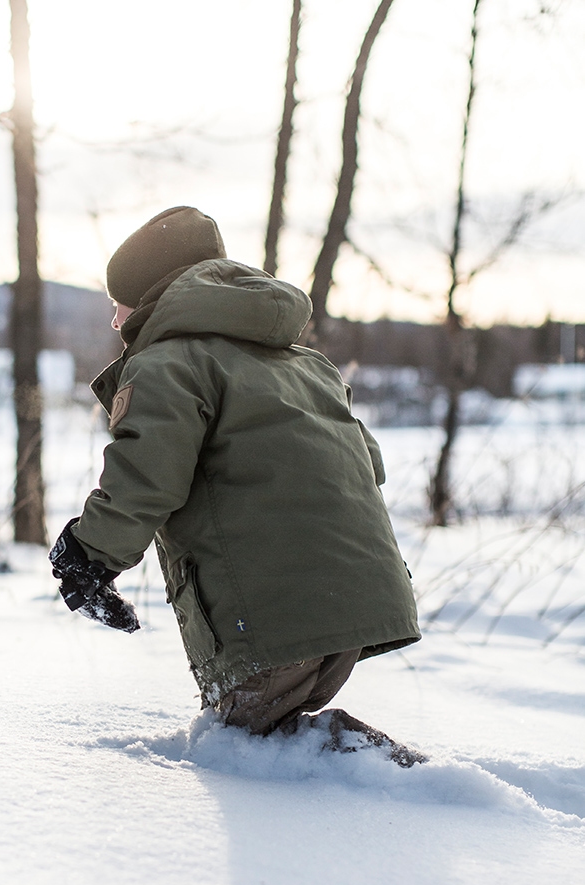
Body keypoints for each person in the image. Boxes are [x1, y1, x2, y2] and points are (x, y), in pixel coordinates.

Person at [49, 206, 423, 764]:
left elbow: (146, 476)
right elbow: (367, 466)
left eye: (117, 302)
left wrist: (88, 554)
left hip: (271, 615)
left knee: (244, 748)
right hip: (354, 603)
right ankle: (389, 784)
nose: (114, 320)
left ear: (149, 297)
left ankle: (408, 784)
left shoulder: (168, 364)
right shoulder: (307, 365)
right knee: (274, 742)